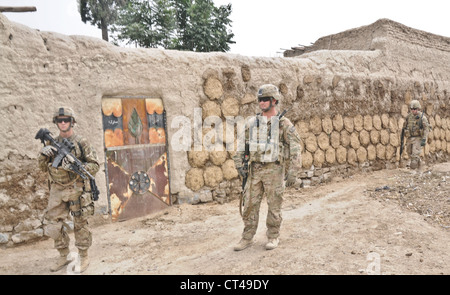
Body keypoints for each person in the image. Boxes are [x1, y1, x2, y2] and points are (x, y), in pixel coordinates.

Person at [232, 84, 301, 251]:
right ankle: (247, 237)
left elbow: (295, 148)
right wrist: (239, 163)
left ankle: (273, 236)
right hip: (254, 171)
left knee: (274, 205)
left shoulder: (284, 124)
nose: (262, 103)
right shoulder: (252, 122)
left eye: (265, 100)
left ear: (274, 101)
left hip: (274, 170)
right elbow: (242, 144)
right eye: (260, 100)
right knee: (249, 205)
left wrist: (293, 172)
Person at [38, 107, 99, 273]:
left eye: (66, 120)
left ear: (72, 122)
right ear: (56, 123)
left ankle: (84, 255)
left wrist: (73, 167)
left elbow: (94, 165)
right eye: (60, 120)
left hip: (76, 188)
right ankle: (64, 255)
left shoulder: (81, 142)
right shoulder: (51, 142)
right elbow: (42, 168)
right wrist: (43, 154)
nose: (63, 123)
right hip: (57, 189)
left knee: (80, 223)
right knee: (52, 224)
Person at [401, 100, 431, 170]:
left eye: (414, 109)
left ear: (418, 109)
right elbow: (405, 126)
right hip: (410, 138)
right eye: (411, 109)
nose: (413, 111)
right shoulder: (409, 116)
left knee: (414, 157)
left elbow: (426, 128)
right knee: (409, 153)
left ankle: (414, 172)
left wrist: (424, 139)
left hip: (418, 138)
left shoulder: (422, 118)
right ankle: (420, 166)